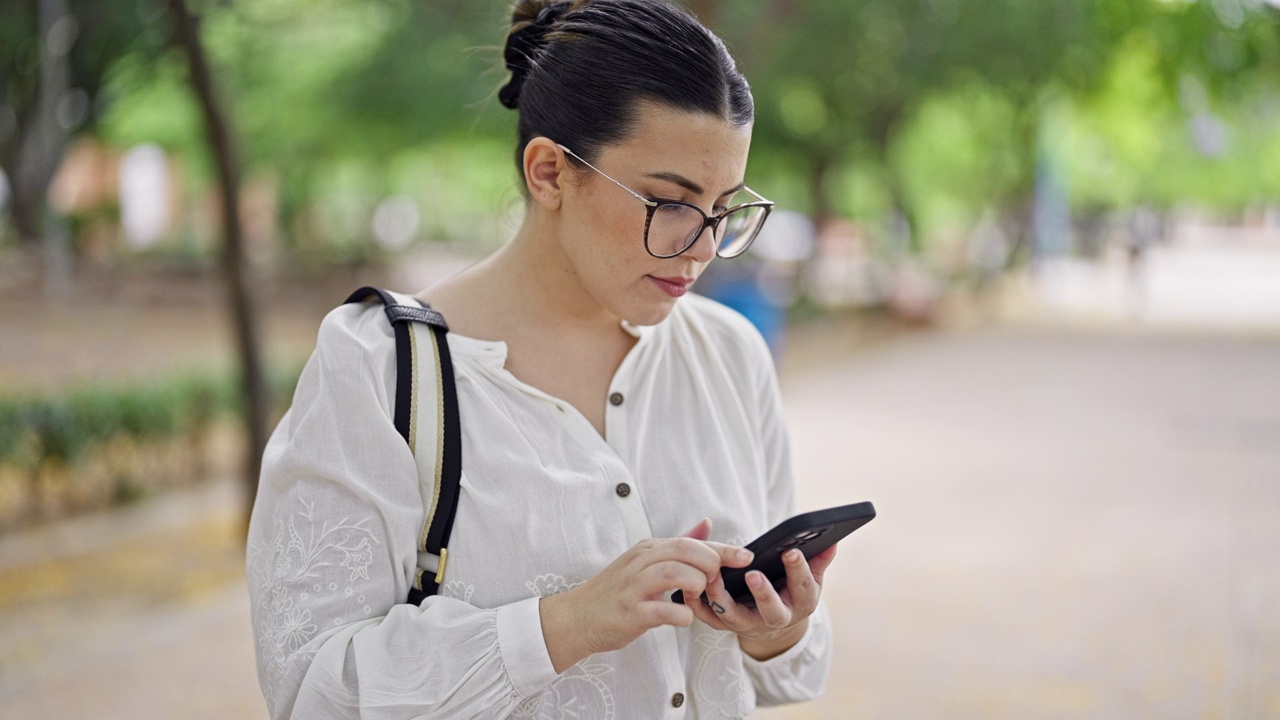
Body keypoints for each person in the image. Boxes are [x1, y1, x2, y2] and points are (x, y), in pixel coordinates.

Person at [246, 1, 836, 717]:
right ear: (551, 171)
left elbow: (780, 681)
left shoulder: (727, 355)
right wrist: (567, 623)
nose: (705, 246)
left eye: (722, 208)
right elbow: (311, 692)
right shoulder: (379, 368)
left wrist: (779, 628)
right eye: (670, 203)